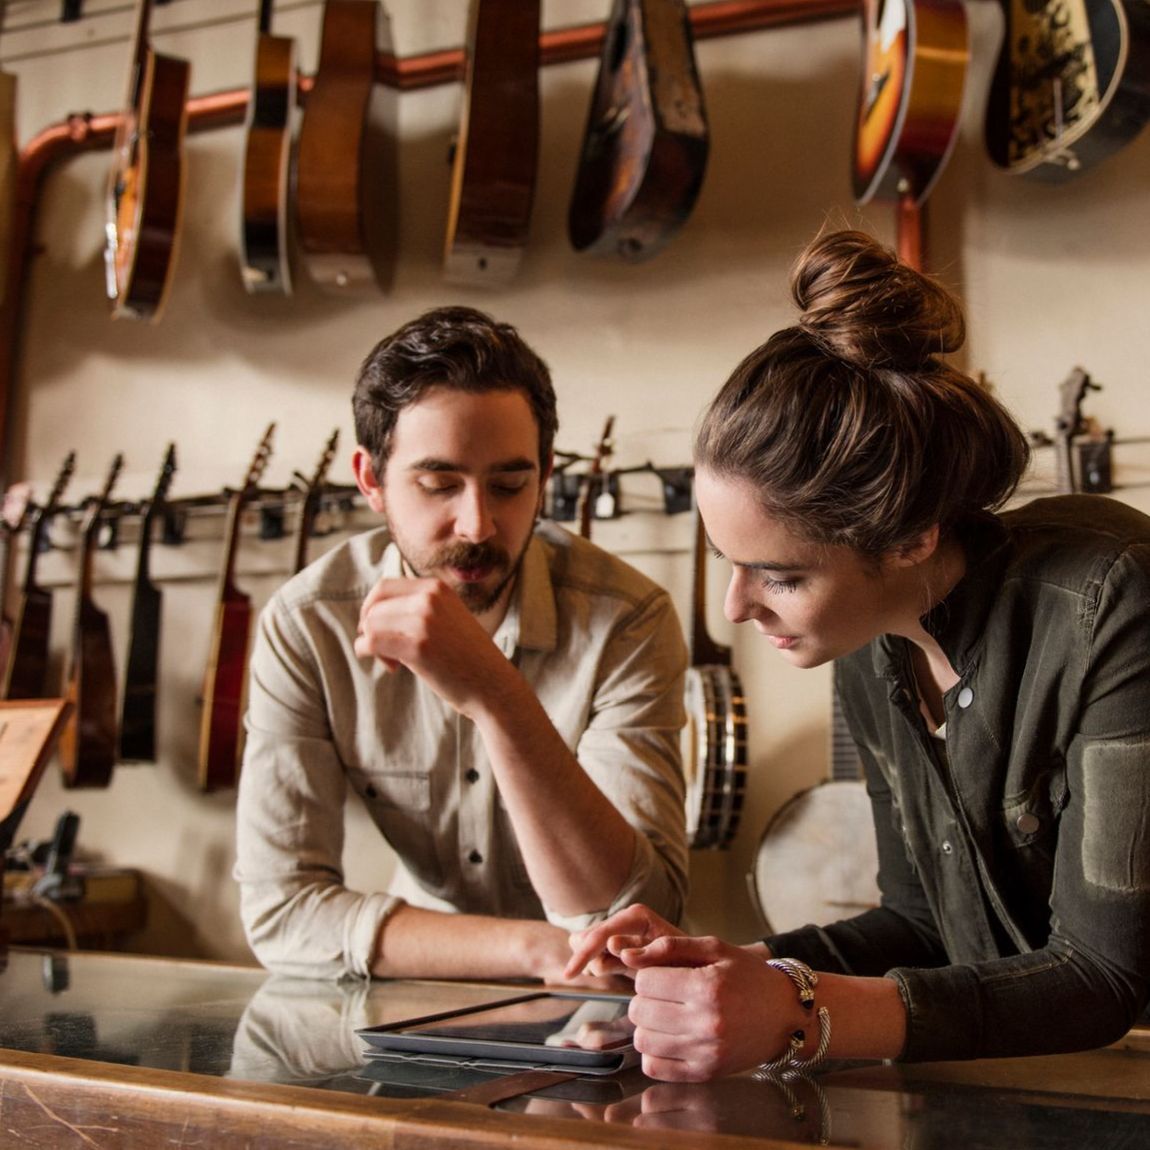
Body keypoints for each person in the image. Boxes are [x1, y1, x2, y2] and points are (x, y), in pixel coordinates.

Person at [567, 228, 1150, 1081]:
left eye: (781, 576)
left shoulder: (1112, 599)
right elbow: (920, 923)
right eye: (732, 563)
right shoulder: (864, 645)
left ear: (913, 537)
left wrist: (800, 1012)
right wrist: (722, 967)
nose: (738, 606)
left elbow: (1106, 979)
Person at [236, 306, 688, 983]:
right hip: (419, 988)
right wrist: (534, 950)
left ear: (544, 474)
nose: (478, 524)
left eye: (510, 485)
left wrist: (496, 696)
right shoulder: (307, 626)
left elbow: (636, 914)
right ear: (371, 482)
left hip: (605, 1009)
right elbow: (282, 911)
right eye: (438, 483)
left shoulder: (629, 620)